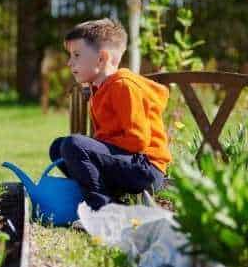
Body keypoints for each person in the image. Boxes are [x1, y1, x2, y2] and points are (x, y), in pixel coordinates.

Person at [49, 18, 171, 210]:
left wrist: (97, 145)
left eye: (77, 55)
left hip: (145, 168)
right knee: (58, 148)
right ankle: (111, 199)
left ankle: (103, 209)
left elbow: (137, 140)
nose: (69, 62)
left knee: (74, 145)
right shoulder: (99, 89)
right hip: (128, 162)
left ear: (102, 58)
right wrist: (97, 146)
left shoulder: (123, 86)